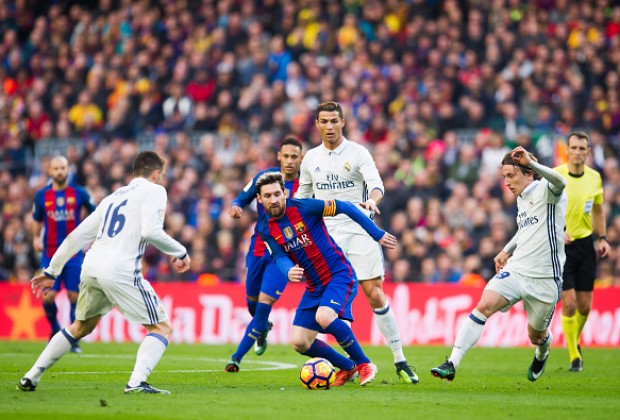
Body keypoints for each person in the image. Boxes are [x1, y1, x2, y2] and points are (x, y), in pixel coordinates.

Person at [18, 151, 191, 394]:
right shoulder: (155, 191)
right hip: (120, 268)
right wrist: (181, 252)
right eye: (161, 174)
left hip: (91, 265)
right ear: (155, 173)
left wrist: (51, 270)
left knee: (81, 326)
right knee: (161, 328)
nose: (161, 179)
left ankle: (31, 375)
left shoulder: (111, 198)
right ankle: (136, 383)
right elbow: (152, 231)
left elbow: (75, 237)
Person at [295, 100, 418, 384]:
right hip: (327, 235)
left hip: (360, 228)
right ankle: (353, 365)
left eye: (334, 121)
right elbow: (302, 198)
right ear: (316, 124)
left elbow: (377, 184)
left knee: (374, 293)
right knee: (333, 306)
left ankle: (400, 360)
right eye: (323, 122)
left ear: (343, 122)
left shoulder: (358, 152)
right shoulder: (310, 159)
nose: (329, 126)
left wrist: (372, 202)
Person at [431, 146, 567, 382]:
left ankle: (542, 350)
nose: (506, 182)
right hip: (517, 270)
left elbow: (561, 181)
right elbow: (526, 230)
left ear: (528, 173)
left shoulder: (548, 191)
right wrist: (506, 250)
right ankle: (451, 362)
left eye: (511, 176)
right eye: (504, 176)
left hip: (545, 279)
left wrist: (533, 163)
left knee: (536, 335)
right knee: (485, 304)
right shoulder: (521, 199)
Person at [256, 172, 398, 387]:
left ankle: (364, 363)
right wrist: (287, 270)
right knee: (299, 342)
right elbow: (278, 255)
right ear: (260, 199)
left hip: (338, 274)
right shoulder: (265, 228)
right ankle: (348, 367)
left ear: (285, 193)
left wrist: (375, 233)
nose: (274, 199)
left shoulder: (305, 207)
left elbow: (346, 207)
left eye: (277, 193)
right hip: (314, 286)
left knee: (324, 316)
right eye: (268, 196)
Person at [225, 137, 303, 372]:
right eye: (286, 156)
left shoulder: (307, 184)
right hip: (259, 249)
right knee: (252, 306)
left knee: (263, 305)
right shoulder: (264, 178)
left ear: (301, 159)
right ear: (279, 156)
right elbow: (242, 197)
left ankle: (236, 357)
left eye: (294, 157)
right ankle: (262, 329)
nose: (289, 161)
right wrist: (237, 206)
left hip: (285, 254)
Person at [554, 131, 610, 372]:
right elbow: (546, 208)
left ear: (588, 152)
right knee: (569, 302)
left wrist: (603, 238)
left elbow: (597, 210)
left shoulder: (594, 178)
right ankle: (574, 355)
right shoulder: (555, 176)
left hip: (586, 245)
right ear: (567, 150)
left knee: (585, 305)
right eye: (573, 147)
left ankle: (573, 340)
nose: (577, 152)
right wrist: (559, 230)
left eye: (582, 148)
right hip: (563, 247)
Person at [32, 155, 96, 353]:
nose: (60, 171)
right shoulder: (41, 195)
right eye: (56, 168)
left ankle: (72, 339)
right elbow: (37, 218)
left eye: (63, 168)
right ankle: (54, 330)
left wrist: (92, 237)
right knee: (48, 297)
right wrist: (35, 237)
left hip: (73, 253)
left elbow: (95, 213)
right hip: (50, 253)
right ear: (50, 171)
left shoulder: (79, 193)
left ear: (68, 170)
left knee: (73, 294)